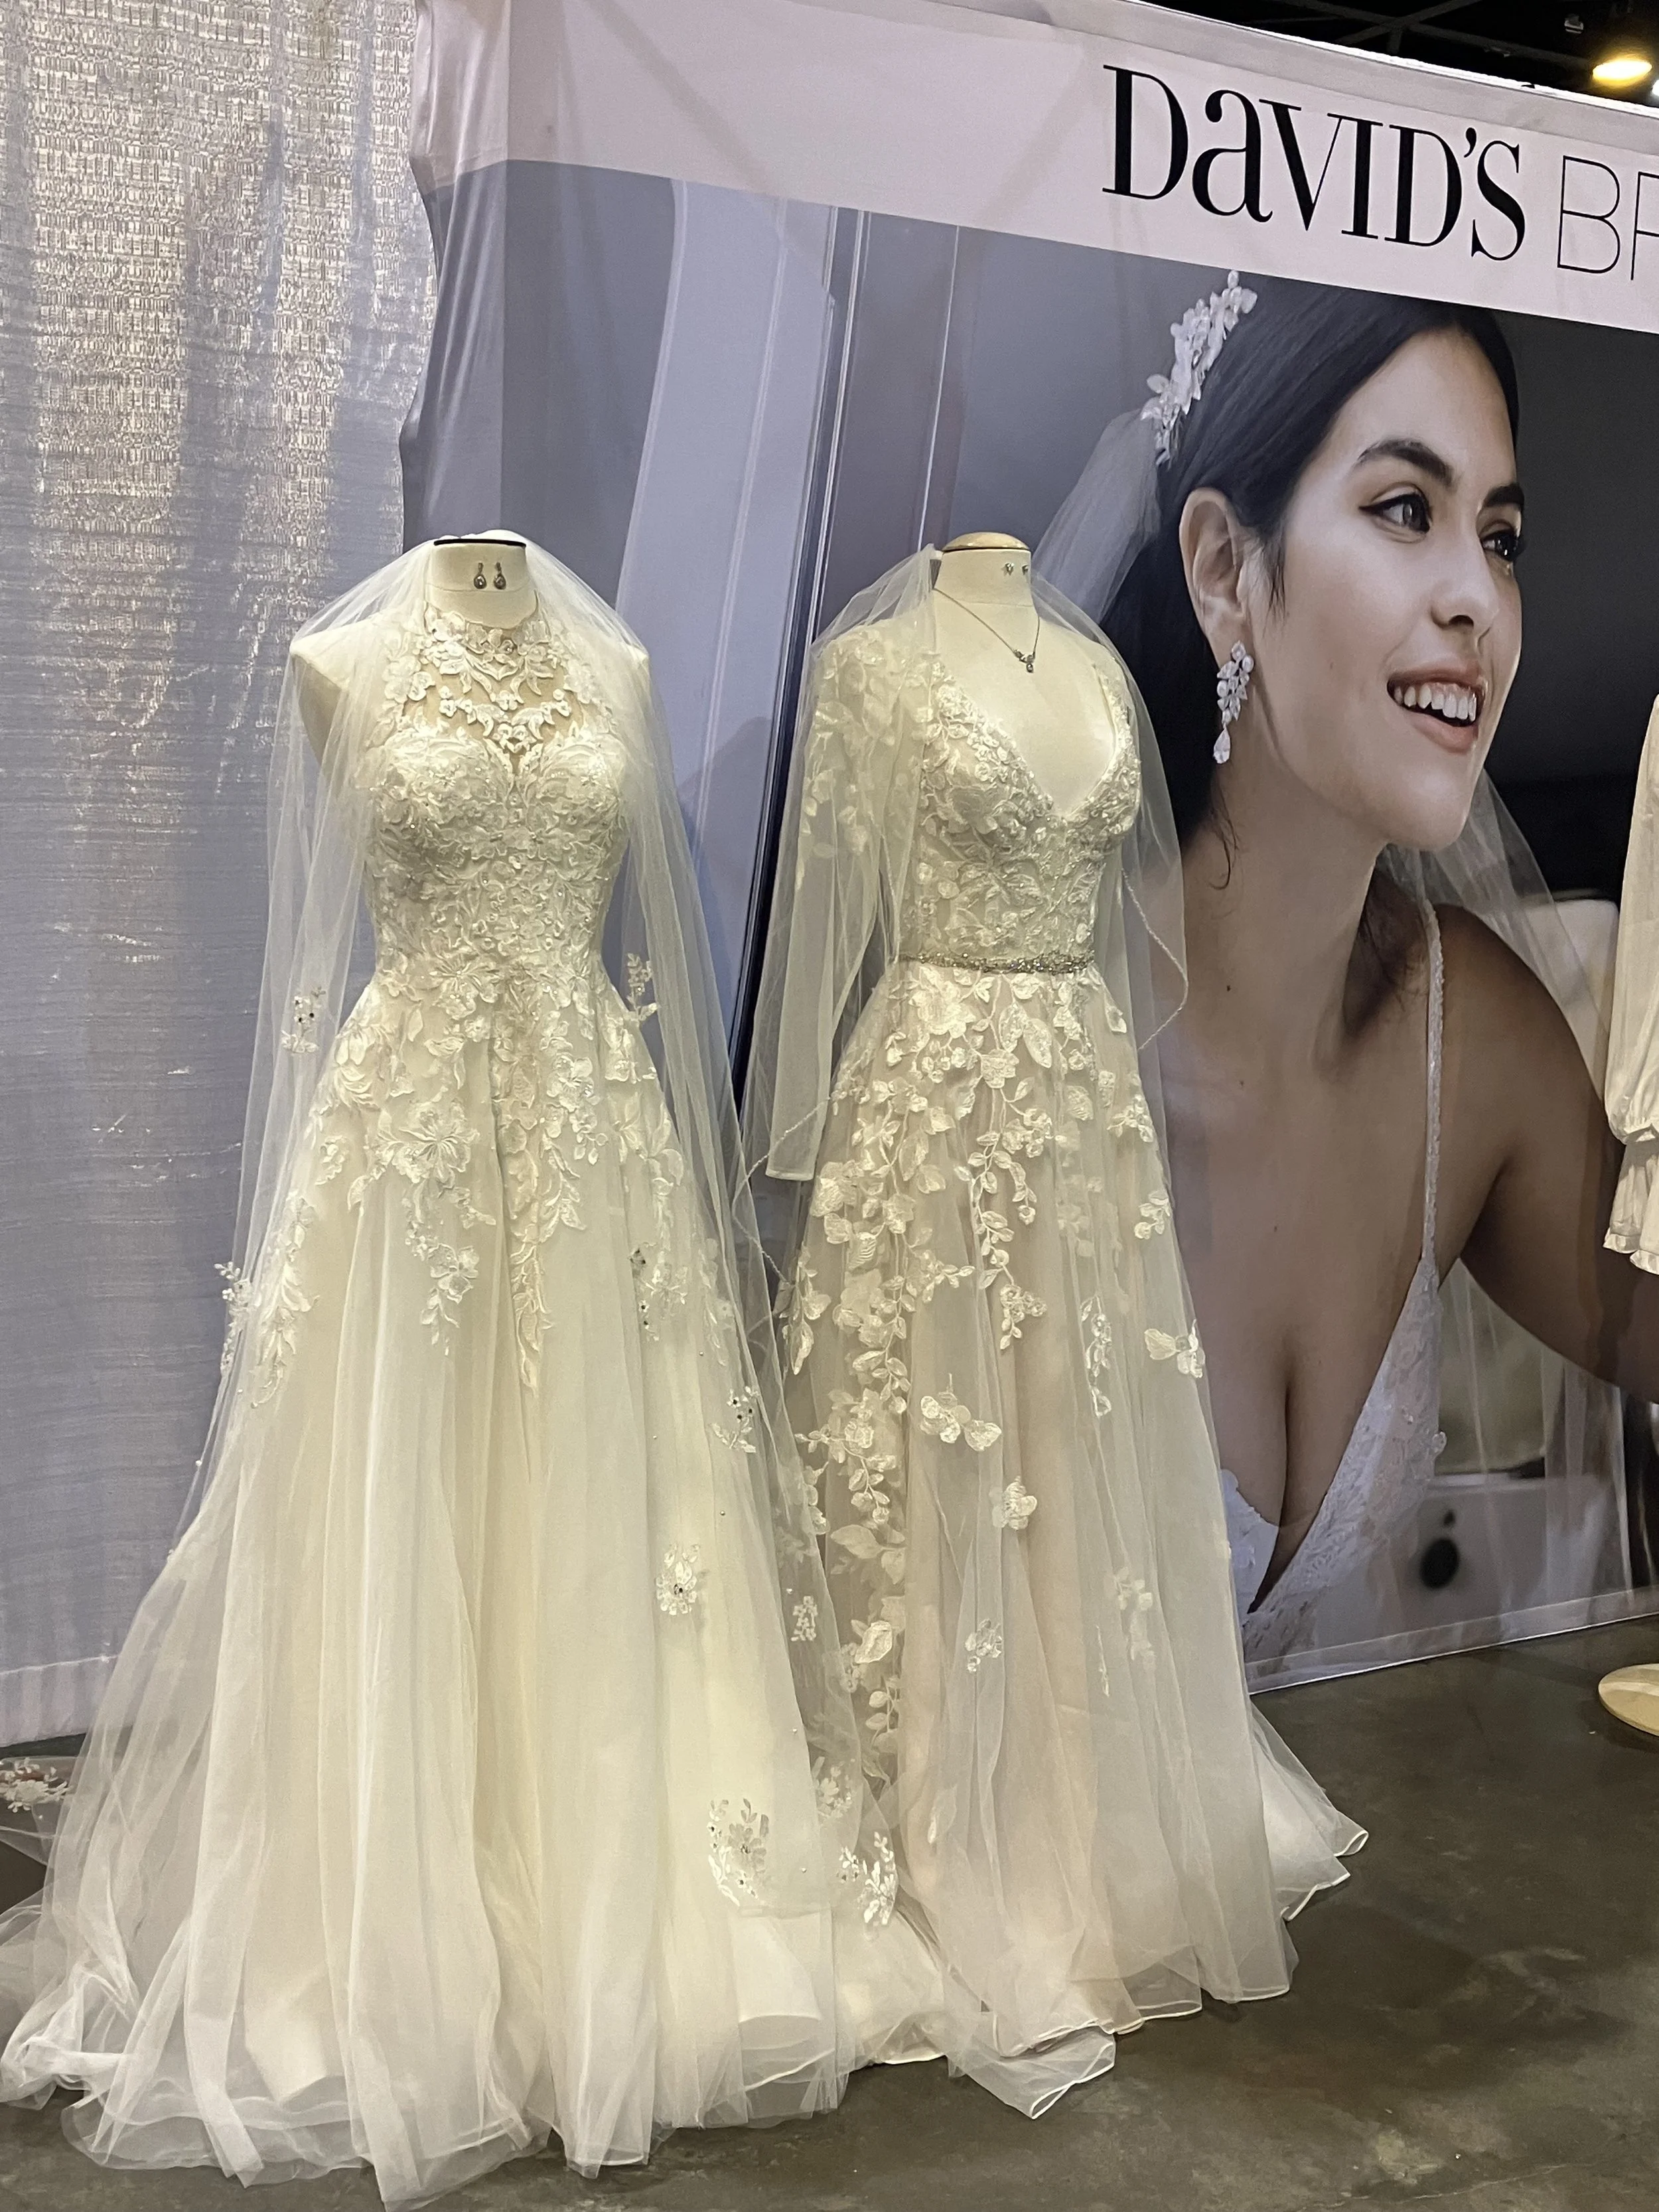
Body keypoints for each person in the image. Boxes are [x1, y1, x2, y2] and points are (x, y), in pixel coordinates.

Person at [1049, 280, 1659, 1661]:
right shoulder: (1033, 1024)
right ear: (1220, 571)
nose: (1476, 602)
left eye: (1498, 537)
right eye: (1404, 510)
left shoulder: (1467, 1040)